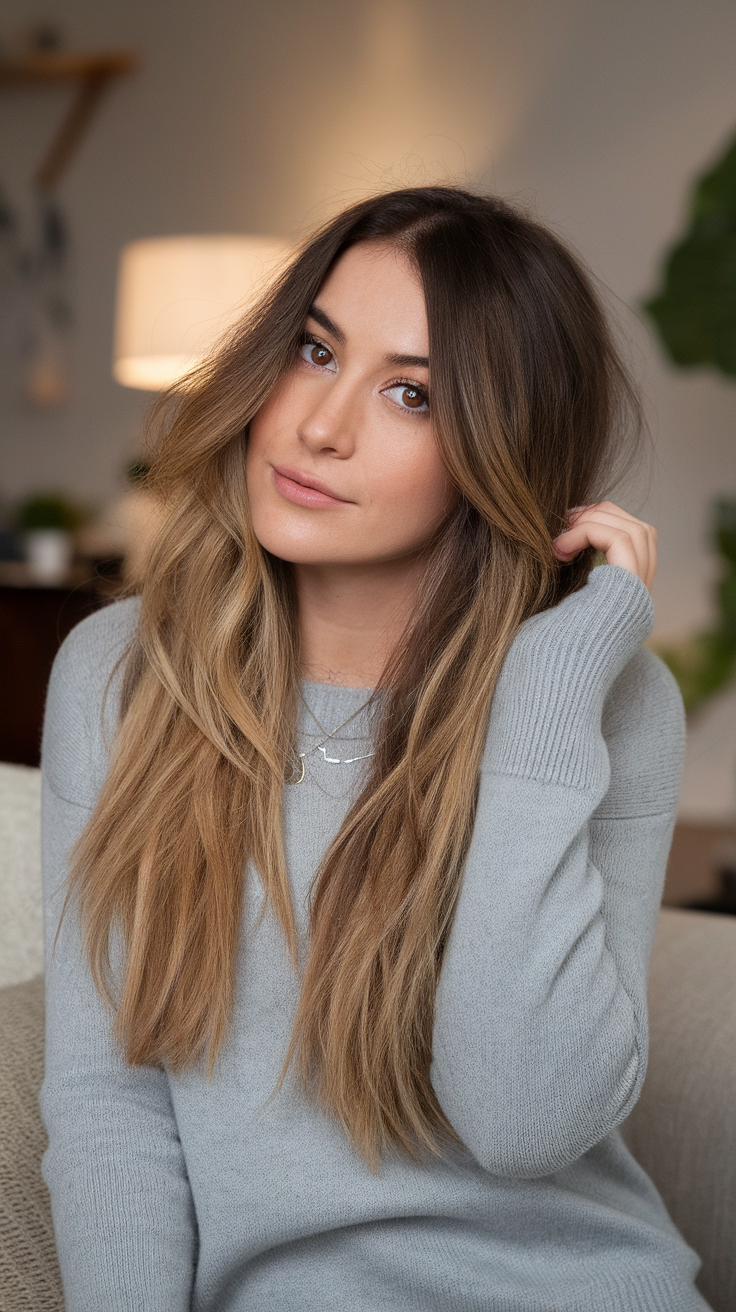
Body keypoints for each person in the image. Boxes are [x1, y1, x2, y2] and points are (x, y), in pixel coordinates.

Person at [40, 186, 711, 1311]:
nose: (320, 423)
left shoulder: (601, 696)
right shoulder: (124, 672)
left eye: (410, 394)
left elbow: (523, 1119)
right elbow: (107, 1103)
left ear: (501, 449)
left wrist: (543, 697)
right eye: (314, 350)